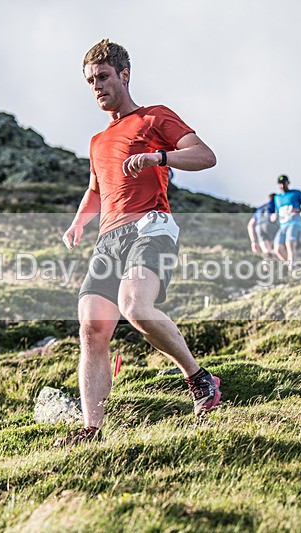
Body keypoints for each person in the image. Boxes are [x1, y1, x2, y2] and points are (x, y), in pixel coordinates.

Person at [58, 39, 219, 447]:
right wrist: (78, 223)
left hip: (151, 225)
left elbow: (205, 156)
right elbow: (96, 189)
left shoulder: (155, 117)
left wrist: (158, 158)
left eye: (104, 77)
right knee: (92, 329)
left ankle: (200, 380)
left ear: (124, 75)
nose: (97, 86)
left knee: (134, 306)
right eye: (91, 81)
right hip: (107, 238)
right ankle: (91, 430)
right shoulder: (97, 141)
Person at [271, 174, 301, 262]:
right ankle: (293, 264)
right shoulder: (277, 198)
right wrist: (274, 215)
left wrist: (299, 210)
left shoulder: (296, 193)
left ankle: (292, 268)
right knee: (278, 249)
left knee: (290, 244)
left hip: (294, 223)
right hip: (283, 225)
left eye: (283, 183)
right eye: (280, 184)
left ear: (287, 183)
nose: (282, 186)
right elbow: (277, 211)